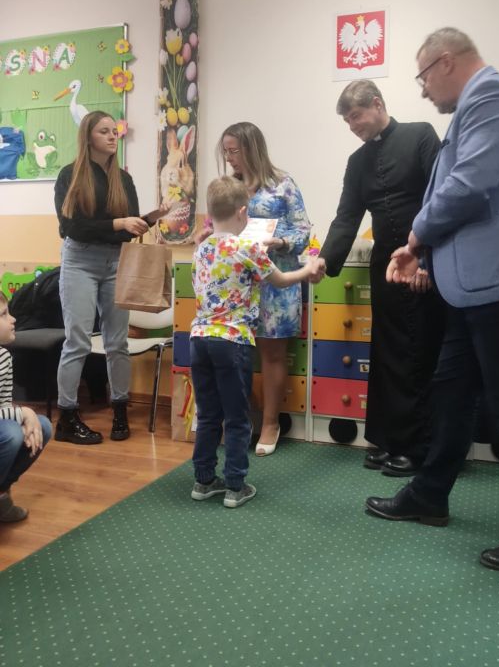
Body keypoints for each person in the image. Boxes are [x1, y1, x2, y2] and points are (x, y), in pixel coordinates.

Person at [366, 27, 499, 573]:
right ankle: (430, 494)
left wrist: (414, 241)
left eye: (422, 77)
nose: (423, 90)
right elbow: (458, 193)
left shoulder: (493, 95)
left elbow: (468, 187)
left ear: (445, 61)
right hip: (475, 283)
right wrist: (432, 261)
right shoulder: (473, 108)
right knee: (451, 390)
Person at [316, 80, 445, 476]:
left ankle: (420, 448)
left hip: (423, 264)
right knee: (388, 354)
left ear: (377, 104)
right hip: (384, 270)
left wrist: (427, 261)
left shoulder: (420, 135)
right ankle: (390, 439)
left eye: (355, 116)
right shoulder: (357, 162)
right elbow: (346, 217)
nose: (352, 126)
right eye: (346, 121)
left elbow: (441, 199)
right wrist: (323, 261)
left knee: (421, 354)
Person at [190, 176, 320, 508]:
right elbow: (282, 279)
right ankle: (235, 485)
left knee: (208, 414)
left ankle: (203, 481)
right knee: (237, 417)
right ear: (243, 212)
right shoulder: (247, 249)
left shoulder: (200, 250)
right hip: (232, 341)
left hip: (199, 339)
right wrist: (308, 269)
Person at [54, 111, 166, 445]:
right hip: (80, 261)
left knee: (118, 342)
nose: (112, 136)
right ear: (88, 137)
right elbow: (71, 227)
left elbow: (129, 230)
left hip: (117, 262)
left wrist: (150, 218)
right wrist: (119, 223)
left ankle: (120, 410)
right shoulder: (70, 175)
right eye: (104, 131)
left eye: (114, 131)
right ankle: (67, 417)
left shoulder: (123, 179)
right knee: (78, 341)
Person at [217, 122, 311, 456]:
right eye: (225, 151)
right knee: (236, 353)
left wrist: (279, 242)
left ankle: (270, 423)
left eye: (234, 151)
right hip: (237, 282)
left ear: (251, 148)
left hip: (276, 280)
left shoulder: (282, 185)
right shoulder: (229, 187)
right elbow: (218, 223)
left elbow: (303, 231)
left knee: (272, 353)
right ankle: (240, 422)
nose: (229, 158)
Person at [0, 291, 52, 522]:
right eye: (3, 315)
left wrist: (23, 418)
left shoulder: (3, 356)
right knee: (12, 433)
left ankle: (1, 495)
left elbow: (3, 403)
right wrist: (24, 412)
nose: (13, 319)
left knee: (42, 426)